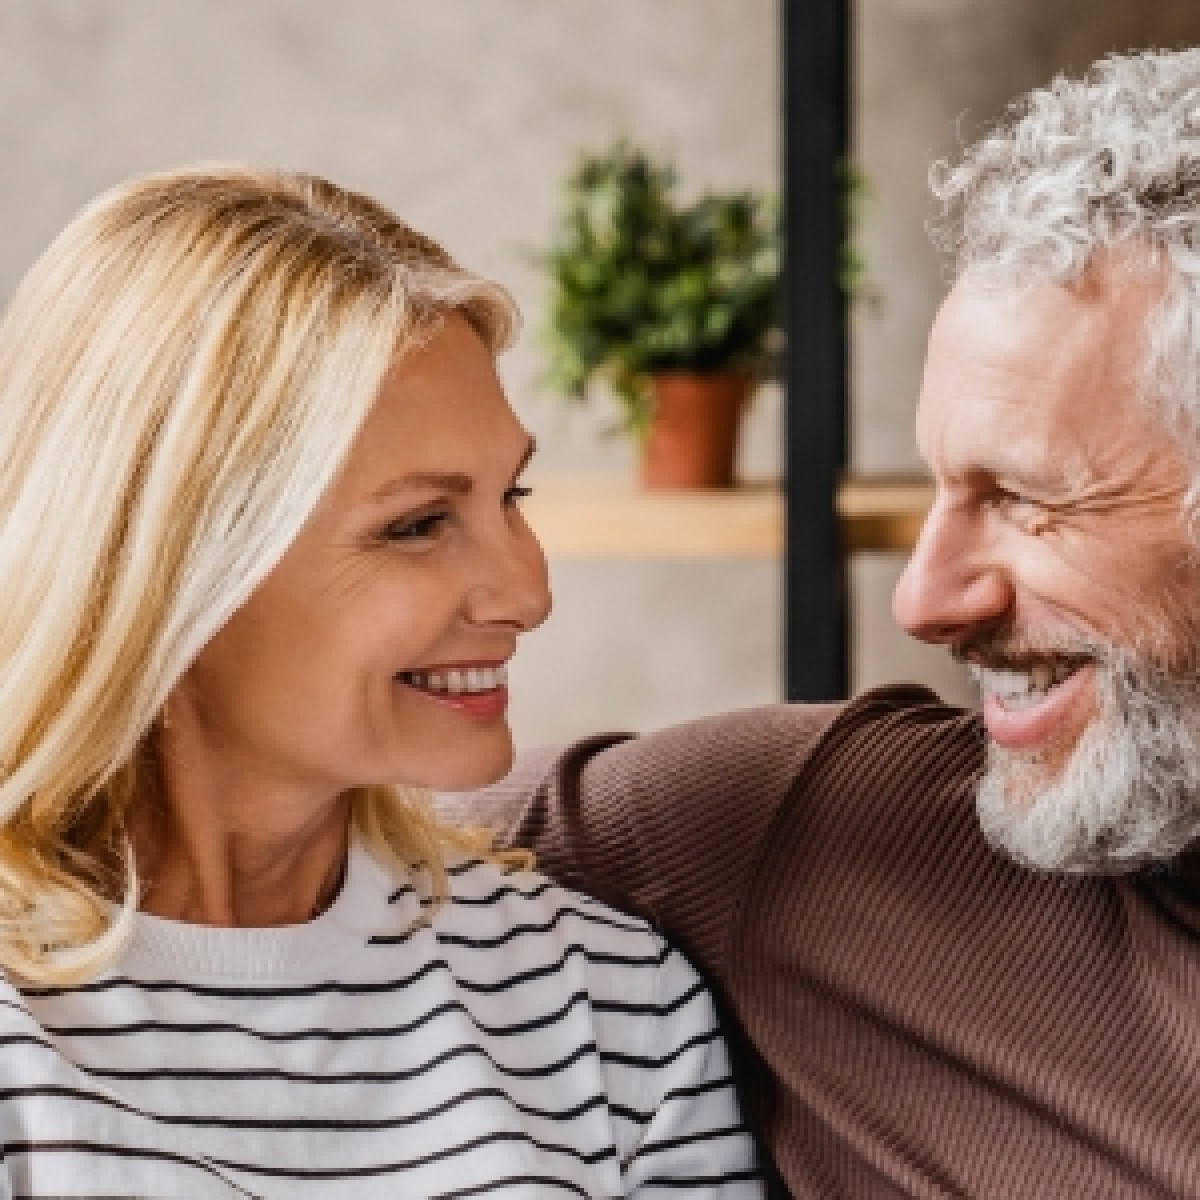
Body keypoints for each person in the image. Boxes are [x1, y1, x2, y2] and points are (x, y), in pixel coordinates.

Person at [450, 48, 1200, 1198]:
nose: (923, 600)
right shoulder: (832, 835)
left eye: (1025, 498)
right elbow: (266, 831)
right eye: (944, 487)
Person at [0, 165, 762, 1197]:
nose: (525, 591)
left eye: (512, 494)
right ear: (170, 570)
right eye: (416, 525)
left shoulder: (607, 1006)